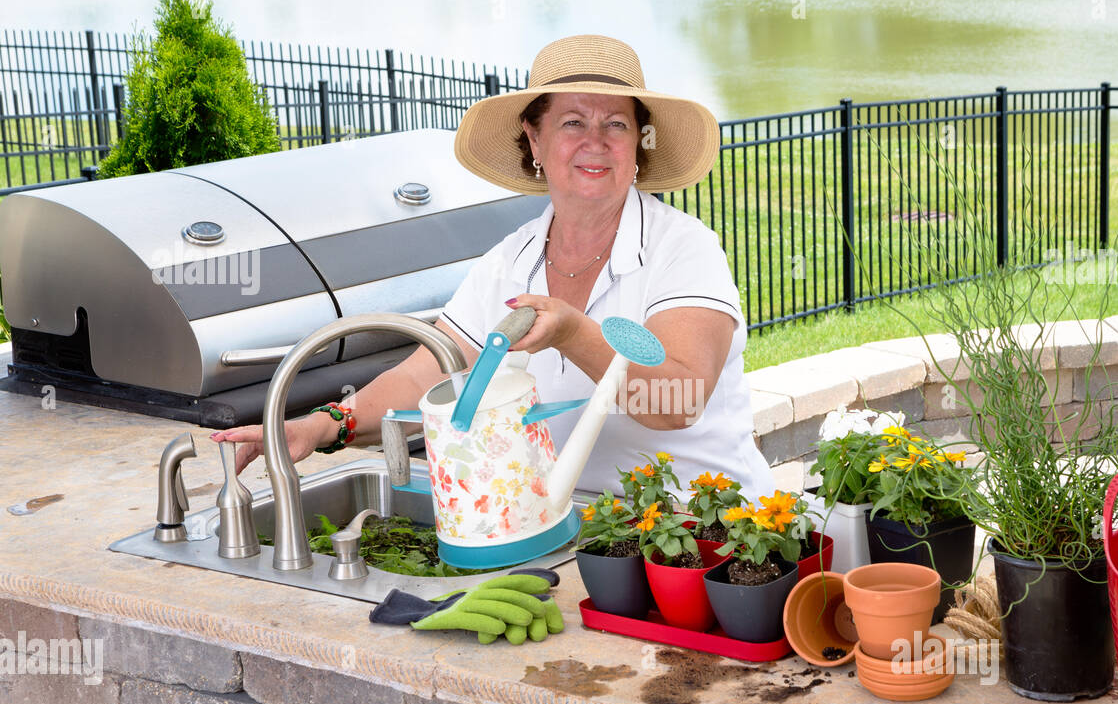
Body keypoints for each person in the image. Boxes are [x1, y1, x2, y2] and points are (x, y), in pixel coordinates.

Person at [213, 34, 775, 499]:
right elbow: (424, 375)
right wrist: (318, 426)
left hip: (707, 531)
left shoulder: (684, 249)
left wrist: (574, 333)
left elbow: (676, 401)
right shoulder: (510, 261)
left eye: (617, 124)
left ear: (638, 144)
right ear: (534, 138)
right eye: (573, 123)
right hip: (576, 525)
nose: (596, 143)